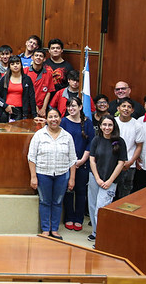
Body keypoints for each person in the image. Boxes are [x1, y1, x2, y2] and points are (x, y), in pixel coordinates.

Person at [27, 107, 76, 240]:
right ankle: (45, 230)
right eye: (51, 117)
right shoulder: (39, 135)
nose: (53, 119)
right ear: (46, 119)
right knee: (45, 202)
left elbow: (73, 160)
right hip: (43, 174)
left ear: (60, 119)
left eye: (56, 117)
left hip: (62, 174)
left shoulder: (67, 136)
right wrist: (33, 177)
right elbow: (31, 157)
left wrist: (72, 179)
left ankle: (54, 229)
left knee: (58, 202)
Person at [87, 114, 127, 242]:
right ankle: (95, 231)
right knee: (93, 206)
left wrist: (109, 181)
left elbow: (121, 163)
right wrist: (98, 178)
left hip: (110, 181)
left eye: (110, 125)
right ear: (100, 126)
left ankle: (102, 238)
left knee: (101, 209)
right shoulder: (96, 140)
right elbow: (92, 160)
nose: (107, 127)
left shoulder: (120, 141)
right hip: (95, 178)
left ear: (114, 126)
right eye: (104, 124)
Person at [60, 97, 95, 233]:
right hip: (66, 162)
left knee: (81, 192)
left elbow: (91, 143)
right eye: (69, 106)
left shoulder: (88, 123)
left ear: (81, 107)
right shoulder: (63, 122)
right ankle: (69, 217)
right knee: (69, 191)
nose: (71, 108)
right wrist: (71, 162)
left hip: (83, 162)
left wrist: (82, 160)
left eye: (74, 106)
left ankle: (78, 219)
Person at [114, 97, 143, 200]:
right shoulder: (113, 122)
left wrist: (131, 162)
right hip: (113, 163)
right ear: (118, 108)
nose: (126, 109)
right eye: (123, 106)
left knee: (125, 194)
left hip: (129, 165)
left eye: (129, 107)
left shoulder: (137, 125)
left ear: (132, 110)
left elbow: (139, 146)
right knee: (110, 192)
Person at [0, 55, 36, 122]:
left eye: (17, 63)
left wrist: (34, 115)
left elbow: (32, 97)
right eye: (12, 64)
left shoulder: (27, 79)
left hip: (22, 113)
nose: (15, 66)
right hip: (6, 112)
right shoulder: (4, 79)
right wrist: (5, 106)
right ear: (9, 66)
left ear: (21, 65)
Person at [24, 49, 54, 117]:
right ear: (32, 58)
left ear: (44, 59)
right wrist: (34, 105)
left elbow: (48, 92)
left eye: (41, 56)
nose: (38, 57)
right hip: (26, 107)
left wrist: (44, 108)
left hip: (41, 109)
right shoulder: (25, 72)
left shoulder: (48, 74)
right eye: (36, 55)